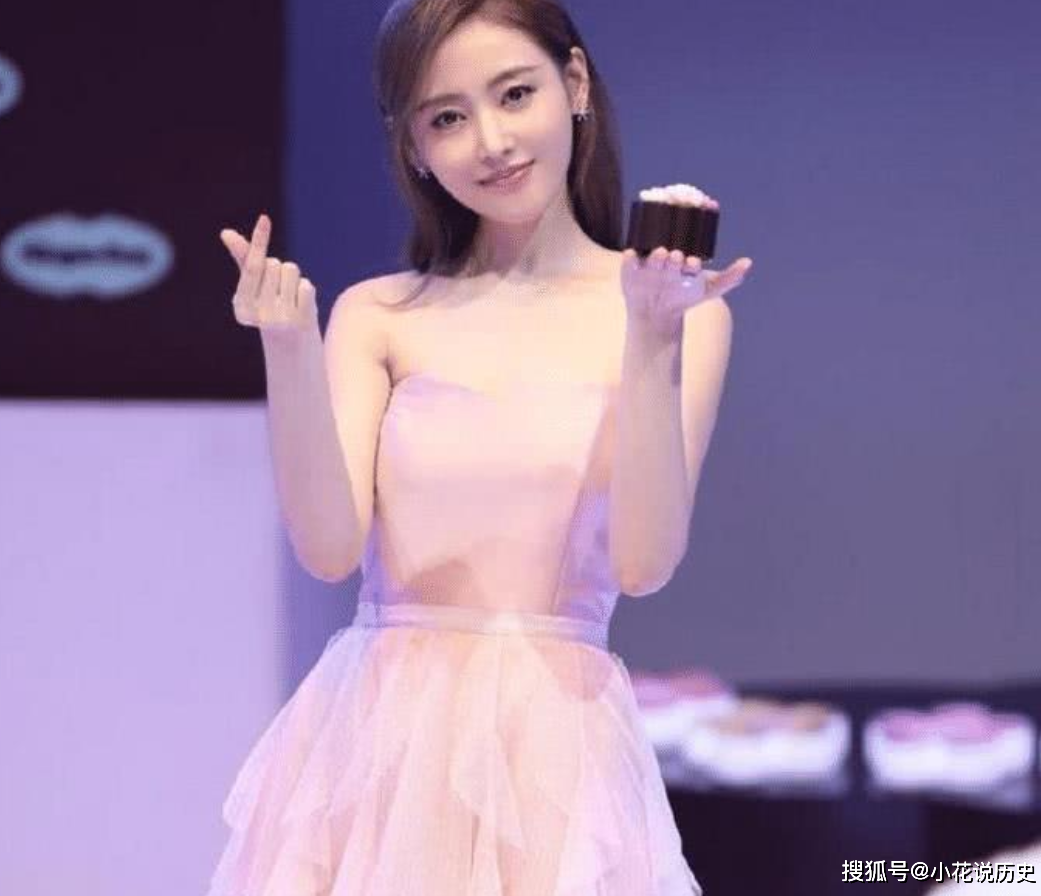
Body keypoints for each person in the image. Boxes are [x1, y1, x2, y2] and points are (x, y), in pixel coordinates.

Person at [209, 0, 752, 892]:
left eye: (514, 95)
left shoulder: (676, 315)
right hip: (379, 753)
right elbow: (329, 548)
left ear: (573, 84)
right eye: (447, 118)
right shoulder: (379, 314)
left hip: (554, 750)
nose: (491, 142)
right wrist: (288, 347)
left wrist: (653, 336)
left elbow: (644, 563)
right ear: (414, 147)